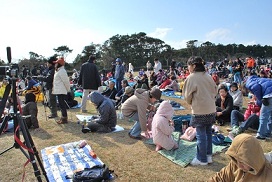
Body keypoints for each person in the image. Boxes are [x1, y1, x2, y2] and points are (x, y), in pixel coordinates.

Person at [183, 56, 217, 166]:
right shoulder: (208, 76)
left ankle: (201, 159)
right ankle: (208, 156)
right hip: (211, 109)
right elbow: (215, 91)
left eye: (188, 65)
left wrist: (192, 102)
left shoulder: (191, 78)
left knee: (201, 134)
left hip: (200, 110)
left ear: (193, 66)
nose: (188, 67)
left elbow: (187, 96)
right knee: (207, 133)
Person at [245, 75, 272, 140]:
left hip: (269, 95)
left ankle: (261, 134)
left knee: (263, 115)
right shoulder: (260, 80)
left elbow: (256, 87)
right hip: (269, 93)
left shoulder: (249, 83)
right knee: (271, 115)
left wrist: (260, 100)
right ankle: (267, 133)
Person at [52, 57, 70, 124]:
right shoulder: (58, 71)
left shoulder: (62, 71)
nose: (55, 64)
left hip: (61, 90)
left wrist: (68, 89)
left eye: (56, 63)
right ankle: (63, 117)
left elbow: (66, 81)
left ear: (59, 64)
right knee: (61, 104)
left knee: (62, 105)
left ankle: (64, 118)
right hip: (59, 90)